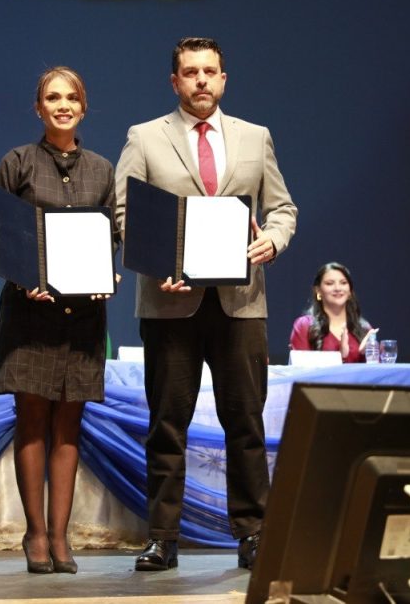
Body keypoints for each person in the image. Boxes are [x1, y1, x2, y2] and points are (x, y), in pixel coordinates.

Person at [114, 37, 298, 571]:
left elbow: (282, 207)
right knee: (167, 422)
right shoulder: (145, 137)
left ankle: (254, 534)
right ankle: (162, 538)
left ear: (223, 79)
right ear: (174, 81)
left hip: (241, 303)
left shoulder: (254, 137)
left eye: (210, 72)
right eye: (190, 72)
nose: (201, 80)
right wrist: (156, 263)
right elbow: (124, 215)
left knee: (245, 422)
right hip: (170, 303)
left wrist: (274, 240)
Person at [0, 66, 117, 575]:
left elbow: (110, 238)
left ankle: (62, 537)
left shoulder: (102, 170)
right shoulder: (17, 162)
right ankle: (35, 534)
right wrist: (21, 277)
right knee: (32, 420)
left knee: (70, 424)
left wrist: (109, 274)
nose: (62, 105)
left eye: (71, 98)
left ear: (83, 107)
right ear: (38, 109)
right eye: (52, 98)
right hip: (29, 311)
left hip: (83, 316)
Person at [289, 262, 375, 362]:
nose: (338, 288)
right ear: (318, 291)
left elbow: (377, 372)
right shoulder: (304, 326)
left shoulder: (364, 328)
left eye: (343, 283)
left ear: (350, 291)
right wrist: (340, 356)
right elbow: (300, 370)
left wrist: (365, 355)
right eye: (330, 283)